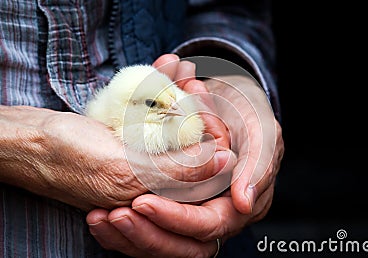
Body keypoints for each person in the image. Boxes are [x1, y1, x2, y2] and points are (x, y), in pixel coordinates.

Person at [0, 0, 284, 257]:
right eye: (156, 105)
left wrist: (226, 74)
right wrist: (19, 142)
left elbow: (225, 11)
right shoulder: (124, 114)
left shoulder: (172, 106)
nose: (173, 108)